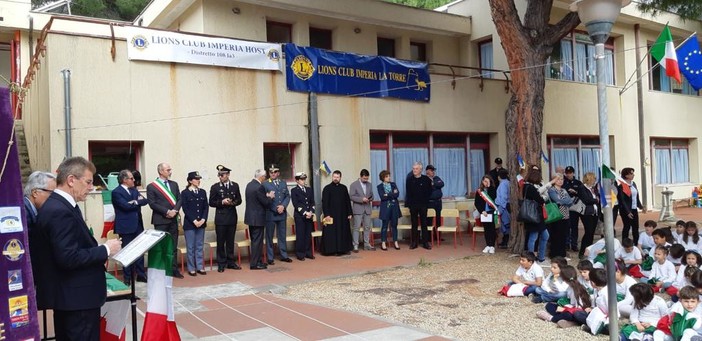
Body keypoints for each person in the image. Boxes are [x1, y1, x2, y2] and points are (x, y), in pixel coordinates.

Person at [34, 156, 122, 340]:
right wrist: (105, 249)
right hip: (76, 300)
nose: (91, 187)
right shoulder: (59, 210)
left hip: (72, 298)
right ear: (71, 180)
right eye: (88, 182)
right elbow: (68, 257)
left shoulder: (61, 205)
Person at [24, 171, 57, 302]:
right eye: (51, 194)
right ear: (35, 192)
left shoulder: (32, 209)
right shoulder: (23, 211)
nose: (54, 199)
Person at [111, 169, 148, 284]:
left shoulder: (134, 190)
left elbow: (145, 201)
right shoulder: (116, 192)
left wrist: (134, 202)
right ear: (124, 180)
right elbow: (125, 206)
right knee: (127, 251)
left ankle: (141, 274)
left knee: (139, 250)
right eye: (131, 178)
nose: (134, 180)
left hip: (138, 224)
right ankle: (127, 277)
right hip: (125, 226)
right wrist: (136, 202)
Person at [147, 162, 183, 278]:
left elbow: (179, 199)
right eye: (168, 170)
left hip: (173, 220)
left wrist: (175, 211)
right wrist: (167, 212)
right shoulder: (152, 186)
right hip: (161, 220)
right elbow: (152, 204)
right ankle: (162, 270)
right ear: (161, 171)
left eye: (170, 169)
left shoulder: (174, 184)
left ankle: (173, 269)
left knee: (173, 246)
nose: (170, 171)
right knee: (162, 247)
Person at [209, 164, 242, 272]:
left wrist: (232, 202)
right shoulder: (215, 187)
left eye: (222, 175)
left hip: (232, 217)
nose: (220, 177)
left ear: (228, 175)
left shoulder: (235, 186)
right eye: (219, 175)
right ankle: (221, 263)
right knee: (221, 241)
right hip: (221, 219)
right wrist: (222, 202)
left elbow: (239, 200)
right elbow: (211, 202)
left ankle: (231, 262)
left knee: (230, 241)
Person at [523, 165, 555, 263]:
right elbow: (540, 199)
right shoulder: (531, 188)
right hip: (535, 215)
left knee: (542, 236)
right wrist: (544, 198)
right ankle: (532, 258)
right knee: (534, 237)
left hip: (534, 216)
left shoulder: (526, 186)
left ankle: (540, 257)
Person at [245, 169, 275, 270]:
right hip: (258, 218)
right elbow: (265, 203)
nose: (265, 178)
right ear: (261, 177)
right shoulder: (259, 187)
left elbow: (256, 198)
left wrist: (264, 196)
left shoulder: (250, 185)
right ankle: (255, 263)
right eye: (265, 176)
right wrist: (270, 197)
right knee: (257, 242)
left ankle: (257, 261)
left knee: (255, 241)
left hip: (250, 218)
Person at [263, 164, 292, 264]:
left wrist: (283, 206)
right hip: (271, 214)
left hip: (282, 214)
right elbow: (264, 199)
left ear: (278, 173)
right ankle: (270, 258)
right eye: (271, 172)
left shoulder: (283, 183)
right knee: (269, 236)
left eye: (275, 172)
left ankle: (283, 255)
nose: (273, 174)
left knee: (282, 235)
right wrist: (276, 208)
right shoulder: (265, 184)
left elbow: (287, 196)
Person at [181, 171, 208, 276]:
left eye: (199, 179)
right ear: (190, 181)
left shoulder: (202, 192)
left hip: (201, 223)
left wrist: (203, 219)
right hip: (190, 224)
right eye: (196, 179)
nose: (198, 181)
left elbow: (206, 206)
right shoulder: (185, 193)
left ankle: (200, 266)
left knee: (199, 246)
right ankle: (191, 268)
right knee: (191, 247)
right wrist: (194, 220)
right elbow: (185, 208)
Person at [321, 170, 353, 256]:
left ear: (340, 178)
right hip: (331, 215)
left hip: (343, 215)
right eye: (334, 177)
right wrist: (327, 214)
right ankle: (331, 250)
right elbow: (324, 203)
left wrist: (350, 213)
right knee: (331, 233)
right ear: (332, 177)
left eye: (337, 177)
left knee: (343, 231)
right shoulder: (327, 188)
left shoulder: (344, 188)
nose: (335, 178)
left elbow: (347, 201)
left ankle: (343, 249)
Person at [405, 161, 433, 250]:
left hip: (423, 205)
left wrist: (425, 200)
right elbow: (408, 193)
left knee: (424, 223)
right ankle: (414, 242)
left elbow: (430, 191)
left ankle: (425, 243)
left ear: (421, 170)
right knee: (414, 224)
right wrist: (410, 204)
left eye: (416, 169)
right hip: (413, 205)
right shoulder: (409, 180)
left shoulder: (426, 179)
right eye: (413, 168)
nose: (414, 170)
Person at [618, 167, 647, 246]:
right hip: (626, 210)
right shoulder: (622, 186)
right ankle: (625, 243)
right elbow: (622, 200)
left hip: (634, 209)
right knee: (627, 226)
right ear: (626, 175)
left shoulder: (633, 184)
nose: (633, 175)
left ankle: (636, 243)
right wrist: (628, 211)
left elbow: (636, 197)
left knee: (635, 227)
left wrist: (641, 206)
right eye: (631, 173)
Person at [547, 173, 573, 258]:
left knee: (563, 235)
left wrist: (563, 201)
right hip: (557, 215)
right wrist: (564, 201)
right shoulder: (552, 190)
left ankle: (562, 254)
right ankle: (555, 254)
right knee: (556, 235)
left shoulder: (564, 190)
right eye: (558, 179)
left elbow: (570, 201)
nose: (560, 181)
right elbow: (557, 200)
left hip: (565, 215)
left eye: (562, 179)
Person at [290, 172, 315, 260]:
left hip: (309, 215)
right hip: (300, 216)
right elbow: (296, 204)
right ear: (297, 180)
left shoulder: (309, 189)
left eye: (304, 179)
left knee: (308, 234)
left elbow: (312, 202)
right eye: (301, 179)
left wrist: (311, 211)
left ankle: (308, 252)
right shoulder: (294, 190)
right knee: (300, 235)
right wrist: (305, 213)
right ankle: (300, 253)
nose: (303, 181)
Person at [349, 169, 374, 251]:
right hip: (358, 209)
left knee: (367, 227)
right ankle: (355, 245)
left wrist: (370, 199)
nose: (366, 180)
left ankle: (366, 244)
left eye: (367, 178)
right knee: (356, 227)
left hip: (367, 208)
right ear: (360, 176)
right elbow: (351, 197)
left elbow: (372, 195)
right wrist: (361, 199)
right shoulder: (354, 185)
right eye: (364, 178)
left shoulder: (369, 185)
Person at [377, 170, 401, 251]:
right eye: (387, 176)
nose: (389, 178)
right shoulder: (380, 186)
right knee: (384, 226)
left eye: (389, 176)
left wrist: (387, 194)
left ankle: (395, 241)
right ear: (383, 178)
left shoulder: (393, 184)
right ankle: (383, 242)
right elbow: (382, 197)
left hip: (394, 207)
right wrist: (391, 194)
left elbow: (397, 194)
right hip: (385, 208)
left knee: (394, 225)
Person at [578, 172, 599, 260]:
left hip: (594, 212)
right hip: (587, 213)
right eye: (593, 178)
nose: (595, 180)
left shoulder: (592, 188)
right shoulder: (582, 188)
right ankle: (582, 251)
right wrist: (595, 200)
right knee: (588, 232)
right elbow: (586, 200)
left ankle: (589, 250)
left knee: (591, 233)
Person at [474, 175, 497, 254]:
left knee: (492, 229)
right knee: (486, 229)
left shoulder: (493, 189)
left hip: (491, 211)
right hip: (484, 212)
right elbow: (477, 203)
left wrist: (490, 187)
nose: (486, 183)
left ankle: (492, 246)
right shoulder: (479, 191)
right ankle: (488, 245)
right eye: (485, 181)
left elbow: (494, 198)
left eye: (488, 181)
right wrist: (482, 211)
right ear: (482, 182)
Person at [562, 166, 583, 252]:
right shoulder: (563, 182)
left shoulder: (578, 182)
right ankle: (566, 243)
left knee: (574, 226)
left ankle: (574, 244)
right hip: (565, 207)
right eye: (567, 173)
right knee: (566, 226)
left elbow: (582, 193)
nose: (568, 174)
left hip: (575, 207)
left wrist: (576, 192)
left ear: (573, 173)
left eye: (570, 173)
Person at [495, 168, 511, 249]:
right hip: (506, 205)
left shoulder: (503, 184)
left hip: (503, 206)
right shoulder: (508, 183)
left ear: (499, 177)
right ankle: (505, 241)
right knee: (506, 224)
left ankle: (505, 242)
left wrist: (501, 208)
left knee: (504, 224)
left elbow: (503, 197)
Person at [425, 164, 444, 230]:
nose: (433, 172)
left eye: (433, 170)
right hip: (430, 203)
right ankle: (429, 237)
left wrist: (433, 183)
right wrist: (434, 185)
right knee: (429, 220)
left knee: (438, 219)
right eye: (431, 170)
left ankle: (438, 236)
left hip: (438, 202)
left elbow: (441, 184)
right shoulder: (424, 179)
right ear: (427, 171)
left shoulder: (436, 178)